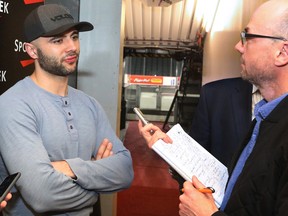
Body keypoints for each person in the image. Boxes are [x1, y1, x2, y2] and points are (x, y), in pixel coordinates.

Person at [140, 0, 288, 215]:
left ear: (282, 53)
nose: (237, 46)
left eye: (248, 37)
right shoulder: (265, 114)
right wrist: (171, 150)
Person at [0, 4, 133, 215]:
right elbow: (42, 196)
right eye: (58, 40)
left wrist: (66, 167)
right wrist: (97, 185)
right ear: (32, 50)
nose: (72, 47)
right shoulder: (14, 104)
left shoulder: (90, 105)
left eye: (74, 36)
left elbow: (125, 170)